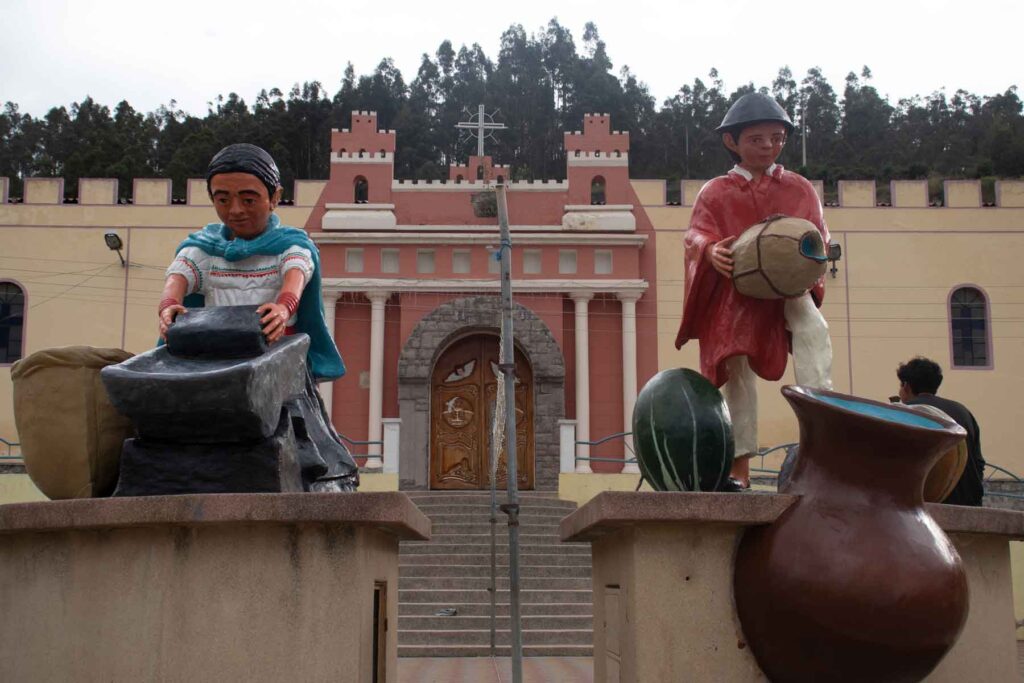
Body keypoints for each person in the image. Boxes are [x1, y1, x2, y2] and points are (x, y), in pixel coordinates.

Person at [157, 143, 358, 491]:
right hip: (217, 361)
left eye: (248, 199)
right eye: (222, 199)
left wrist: (283, 308)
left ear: (274, 197)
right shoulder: (203, 249)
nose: (235, 210)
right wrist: (168, 306)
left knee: (296, 430)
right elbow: (178, 278)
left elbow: (296, 275)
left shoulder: (289, 245)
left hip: (274, 358)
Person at [675, 93, 833, 490]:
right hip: (737, 293)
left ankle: (823, 433)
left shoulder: (800, 189)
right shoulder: (715, 191)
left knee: (812, 329)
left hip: (787, 286)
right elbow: (695, 233)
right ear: (733, 142)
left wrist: (812, 260)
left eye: (776, 138)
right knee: (735, 368)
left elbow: (818, 233)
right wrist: (711, 250)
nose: (768, 146)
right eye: (757, 139)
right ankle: (738, 466)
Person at [897, 357, 984, 506]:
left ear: (906, 386)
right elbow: (979, 462)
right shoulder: (963, 411)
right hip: (969, 502)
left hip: (924, 506)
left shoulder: (904, 412)